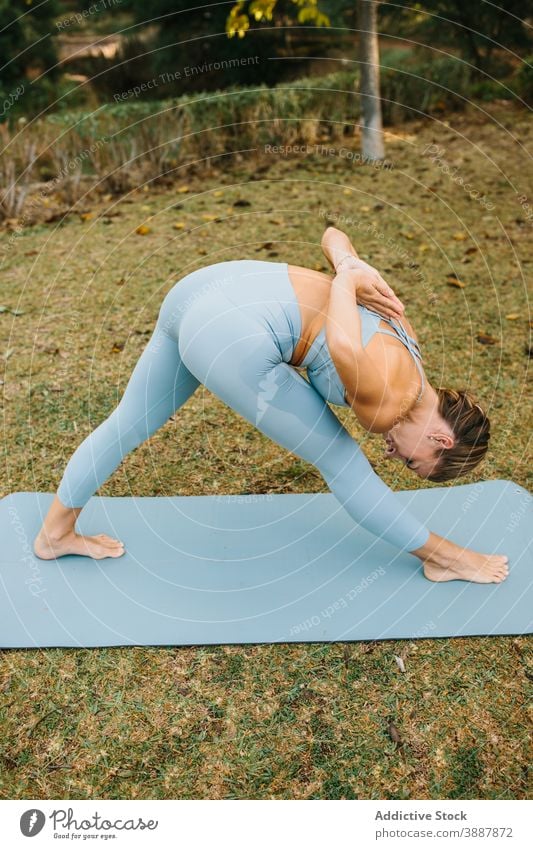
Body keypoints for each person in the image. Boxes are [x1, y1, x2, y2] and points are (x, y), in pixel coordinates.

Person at [33, 226, 509, 583]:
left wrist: (347, 262)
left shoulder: (412, 347)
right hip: (227, 330)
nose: (392, 453)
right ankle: (445, 558)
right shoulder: (390, 401)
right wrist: (345, 278)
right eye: (411, 460)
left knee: (127, 423)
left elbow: (332, 234)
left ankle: (55, 533)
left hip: (198, 290)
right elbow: (342, 349)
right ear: (440, 438)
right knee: (342, 460)